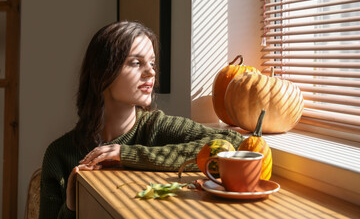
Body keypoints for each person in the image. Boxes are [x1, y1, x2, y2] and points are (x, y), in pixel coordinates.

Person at [39, 21, 244, 219]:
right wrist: (72, 205)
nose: (151, 72)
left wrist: (129, 155)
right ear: (103, 72)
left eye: (152, 63)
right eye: (136, 63)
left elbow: (233, 143)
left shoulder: (156, 127)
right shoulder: (59, 155)